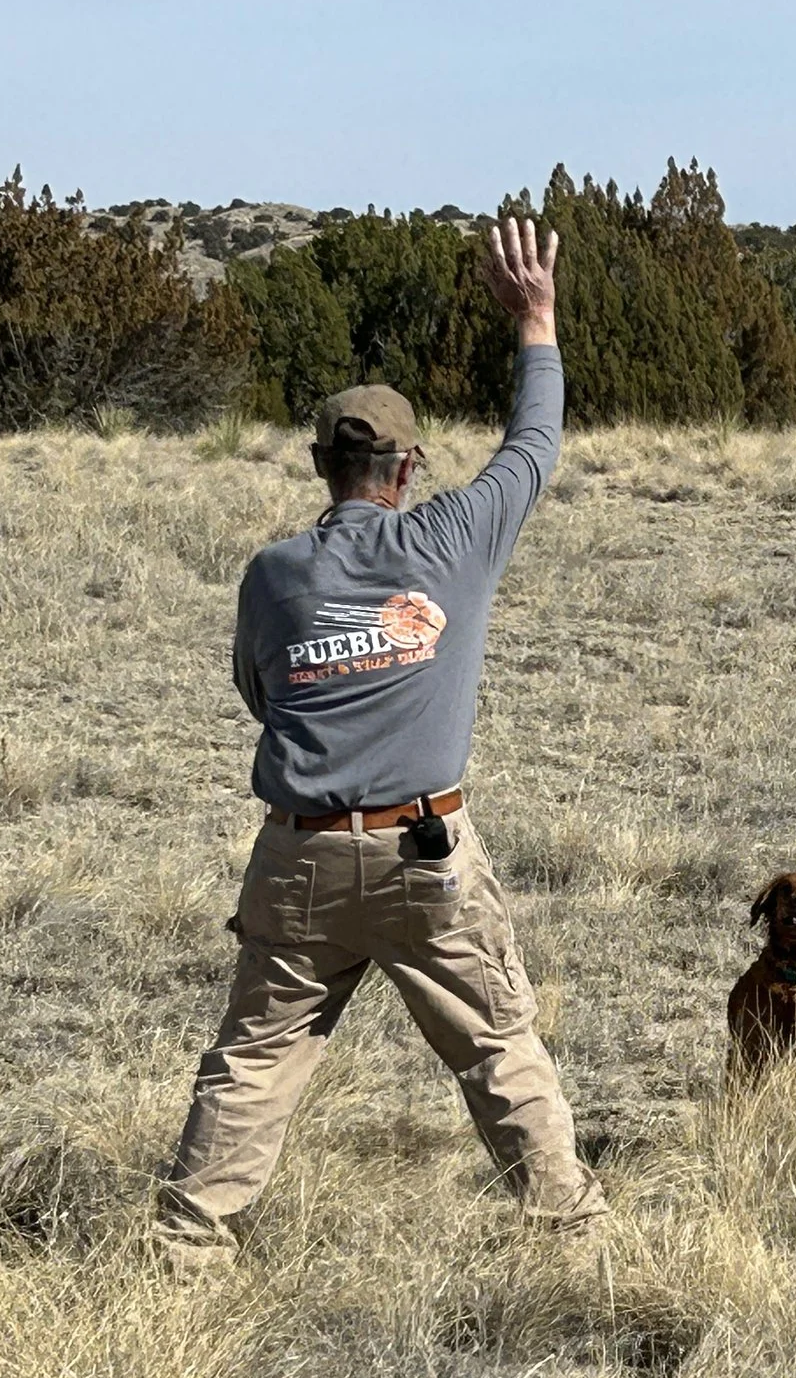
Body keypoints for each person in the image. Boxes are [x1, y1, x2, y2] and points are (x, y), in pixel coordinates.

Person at [153, 217, 604, 1270]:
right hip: (424, 853)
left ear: (321, 466)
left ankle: (185, 1255)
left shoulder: (273, 575)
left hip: (300, 853)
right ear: (407, 468)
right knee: (497, 1047)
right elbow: (534, 443)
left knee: (255, 1062)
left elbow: (261, 693)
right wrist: (534, 316)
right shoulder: (451, 538)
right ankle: (574, 1250)